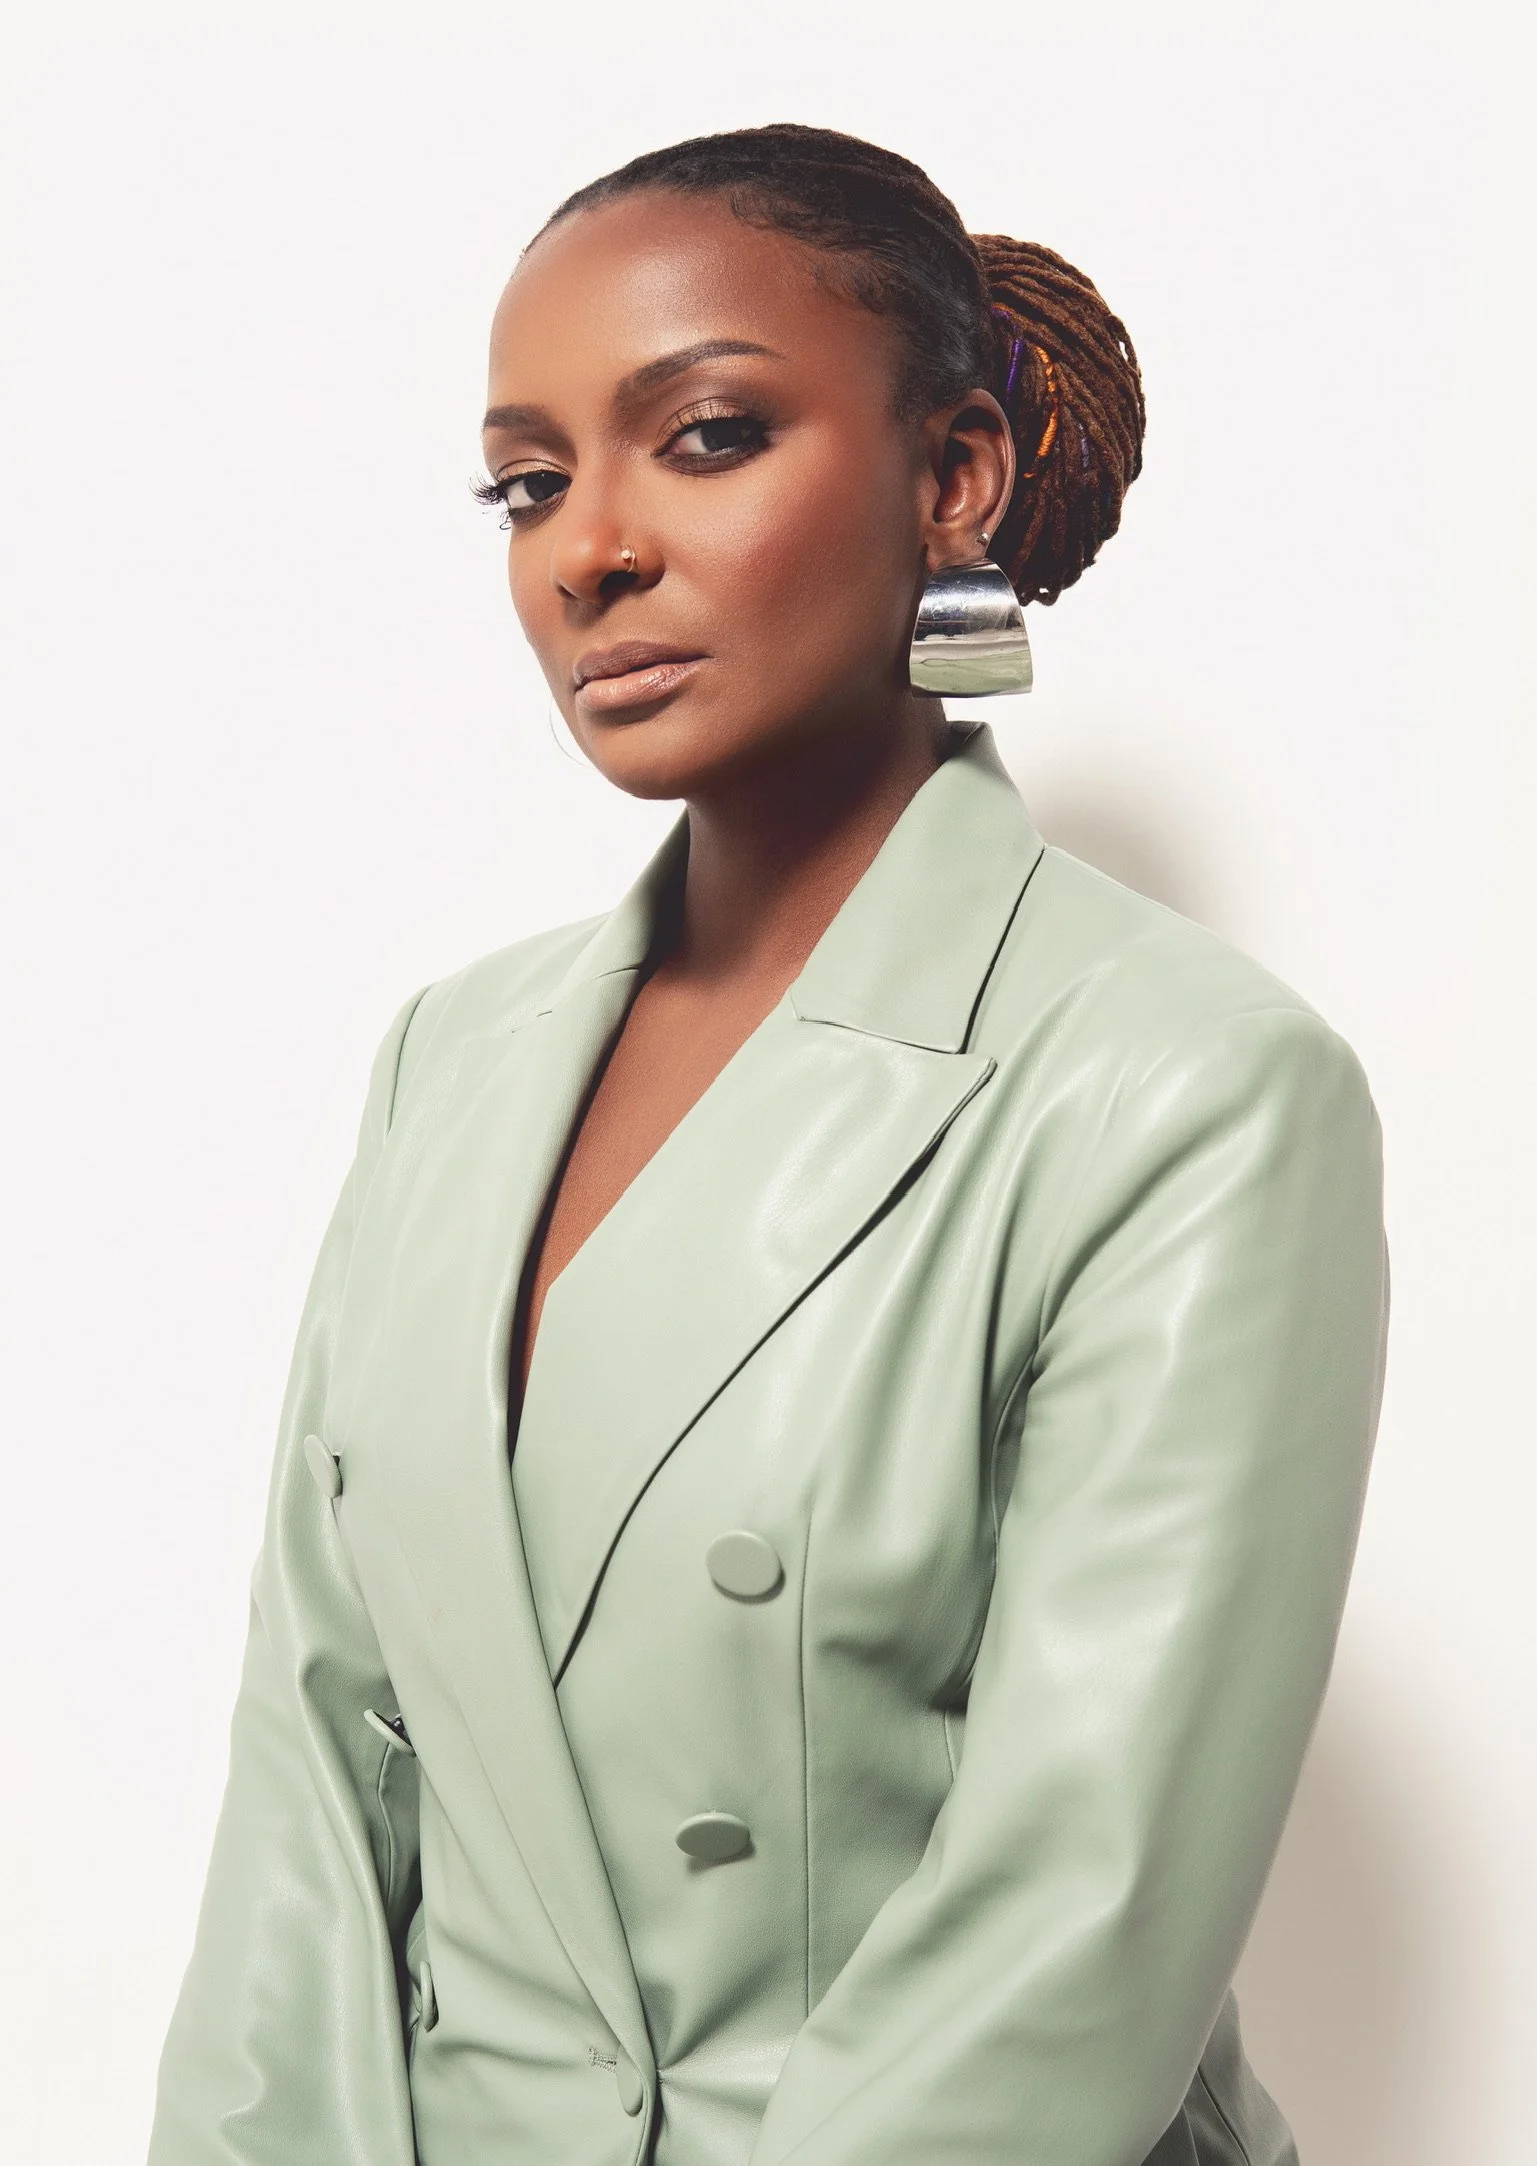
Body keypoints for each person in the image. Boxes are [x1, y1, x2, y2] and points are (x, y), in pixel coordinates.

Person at [147, 124, 1389, 2166]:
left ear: (954, 478)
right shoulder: (448, 1061)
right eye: (529, 482)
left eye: (704, 437)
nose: (586, 549)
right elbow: (314, 1770)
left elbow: (1074, 1932)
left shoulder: (1187, 1087)